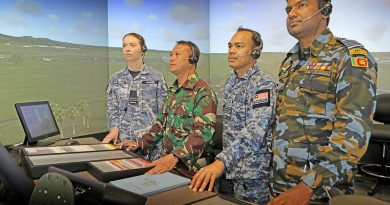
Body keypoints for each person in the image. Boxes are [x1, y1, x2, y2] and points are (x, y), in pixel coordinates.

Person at [268, 0, 377, 204]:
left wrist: (308, 186)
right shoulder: (290, 61)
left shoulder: (347, 57)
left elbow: (352, 135)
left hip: (320, 192)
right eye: (288, 9)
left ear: (325, 11)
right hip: (280, 185)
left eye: (301, 5)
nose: (291, 13)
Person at [189, 27, 276, 205]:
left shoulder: (264, 84)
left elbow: (255, 132)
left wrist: (221, 162)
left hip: (250, 177)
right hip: (227, 172)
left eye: (239, 46)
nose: (231, 51)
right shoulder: (231, 80)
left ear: (255, 51)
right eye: (230, 46)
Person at [119, 41, 218, 177]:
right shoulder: (172, 91)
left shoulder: (203, 92)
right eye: (171, 54)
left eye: (177, 54)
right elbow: (160, 125)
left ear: (192, 60)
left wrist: (175, 157)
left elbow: (203, 133)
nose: (171, 58)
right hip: (167, 164)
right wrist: (139, 144)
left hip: (189, 170)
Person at [103, 33, 167, 161]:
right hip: (122, 145)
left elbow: (164, 115)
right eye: (124, 45)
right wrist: (114, 128)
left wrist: (149, 141)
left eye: (132, 45)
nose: (127, 49)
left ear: (143, 49)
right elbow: (112, 110)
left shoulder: (156, 78)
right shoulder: (116, 79)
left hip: (150, 148)